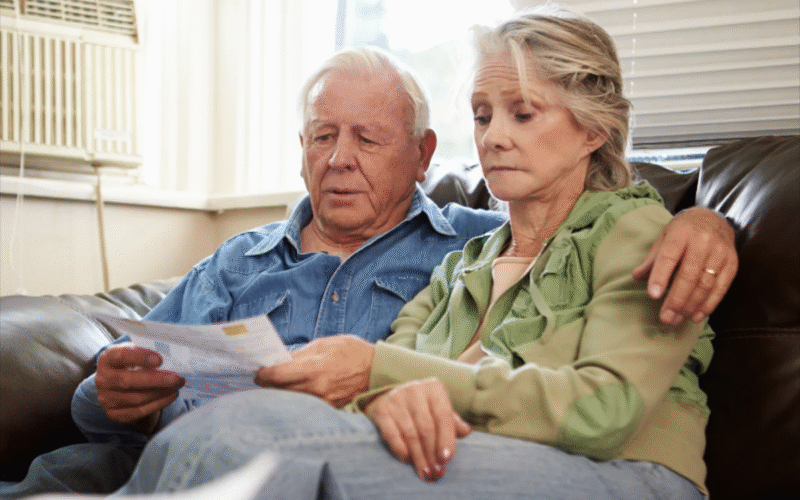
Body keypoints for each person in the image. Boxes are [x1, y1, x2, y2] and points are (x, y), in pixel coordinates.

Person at [2, 27, 733, 500]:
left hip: (612, 469)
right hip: (202, 448)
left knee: (243, 439)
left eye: (522, 113)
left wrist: (708, 220)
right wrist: (390, 394)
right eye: (483, 116)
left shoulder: (618, 233)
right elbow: (392, 375)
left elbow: (597, 406)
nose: (493, 139)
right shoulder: (469, 263)